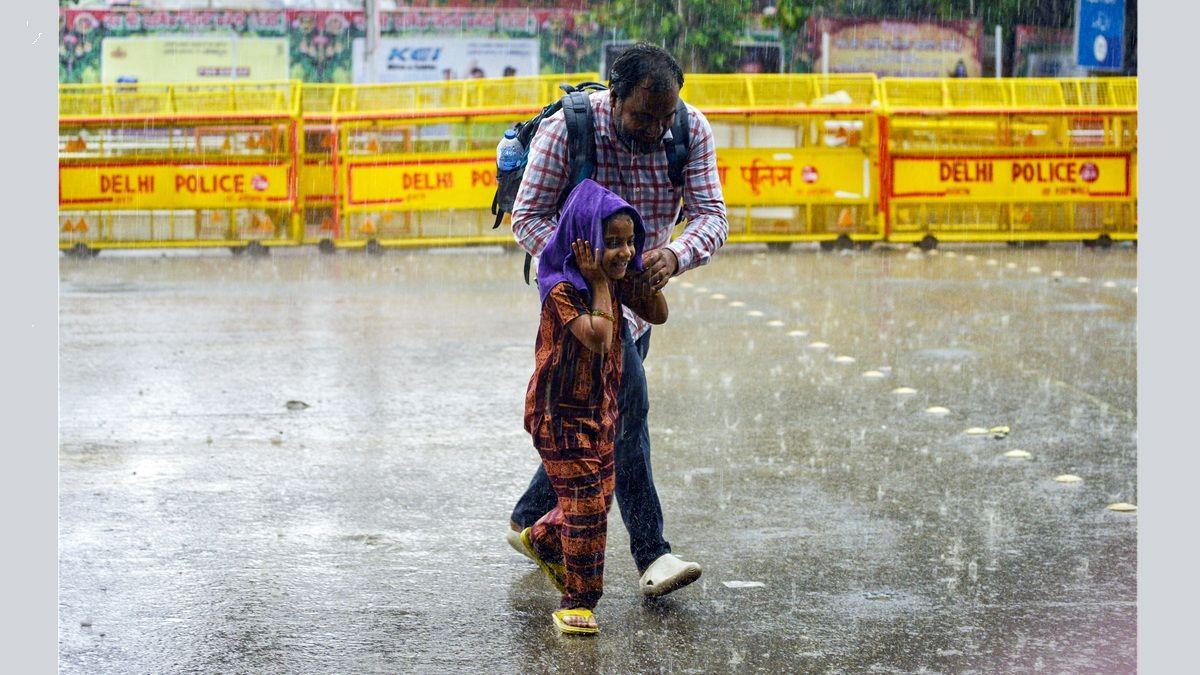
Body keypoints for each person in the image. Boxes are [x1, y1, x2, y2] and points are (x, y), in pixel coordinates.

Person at [508, 42, 728, 597]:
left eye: (665, 116)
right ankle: (652, 554)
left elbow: (712, 216)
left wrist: (674, 254)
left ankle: (532, 521)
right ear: (614, 98)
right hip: (583, 300)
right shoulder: (568, 131)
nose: (656, 129)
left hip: (638, 303)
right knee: (629, 407)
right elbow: (528, 217)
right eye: (642, 116)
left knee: (598, 421)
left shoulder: (690, 130)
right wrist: (584, 275)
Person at [518, 178, 668, 634]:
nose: (623, 250)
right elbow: (601, 338)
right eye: (613, 242)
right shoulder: (563, 288)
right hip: (557, 415)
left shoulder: (618, 278)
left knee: (599, 499)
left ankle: (542, 537)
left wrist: (635, 272)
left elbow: (659, 313)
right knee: (586, 507)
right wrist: (603, 280)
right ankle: (578, 602)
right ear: (584, 241)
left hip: (599, 412)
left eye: (630, 242)